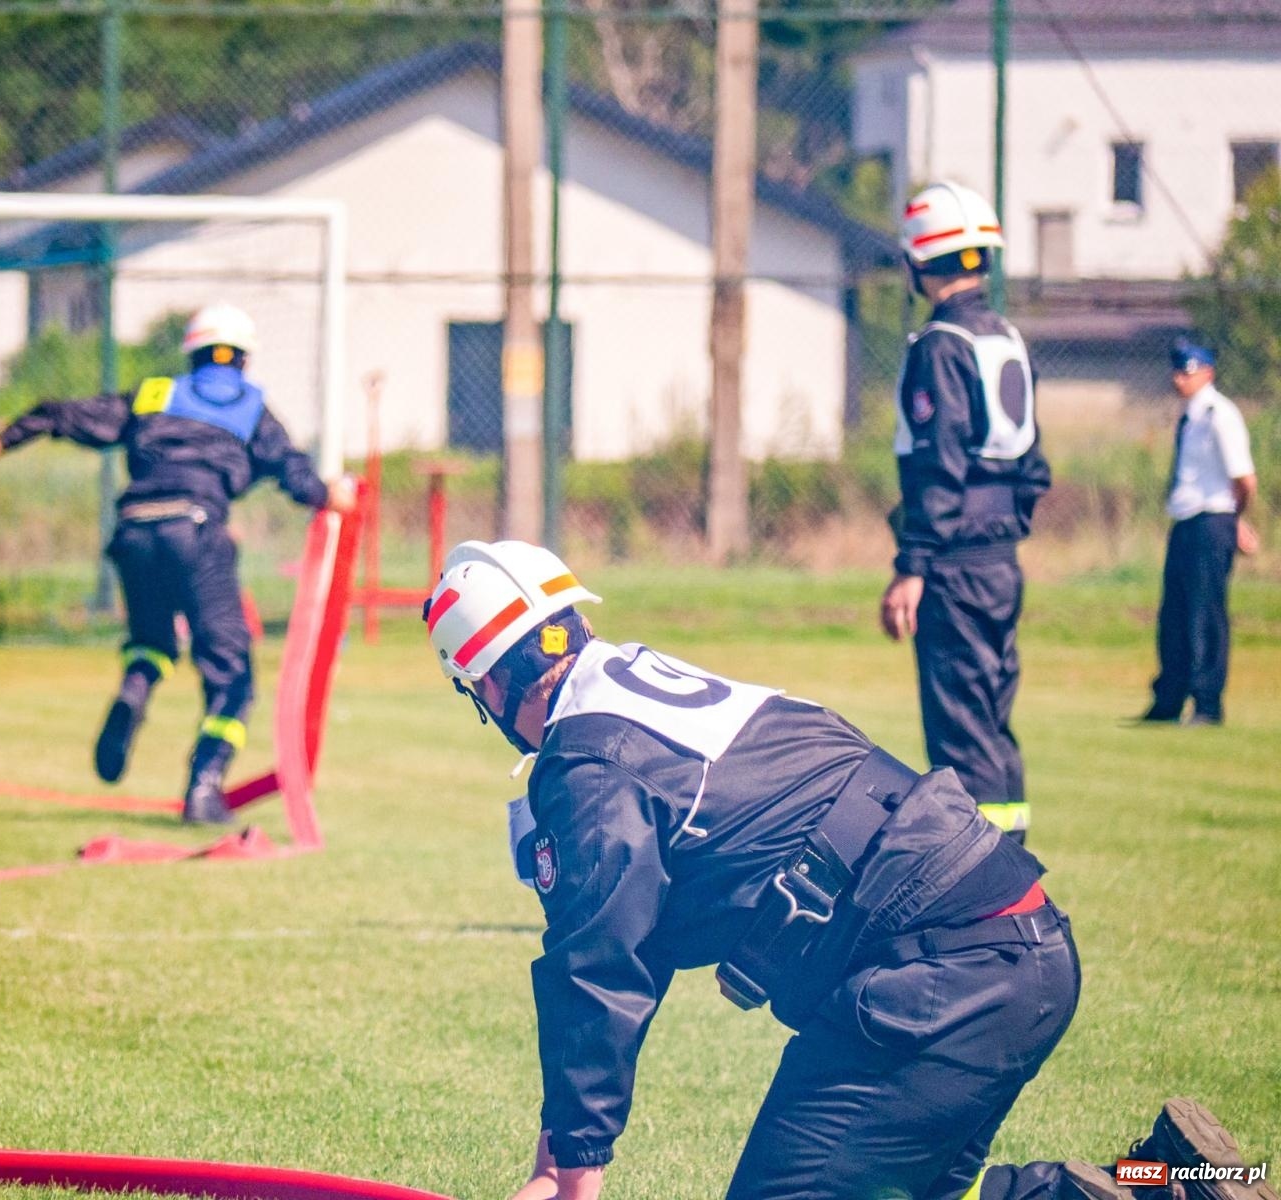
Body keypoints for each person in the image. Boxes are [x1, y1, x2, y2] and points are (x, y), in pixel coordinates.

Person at [425, 539, 1271, 1200]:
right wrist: (566, 1143)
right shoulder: (640, 685)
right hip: (1022, 944)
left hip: (938, 980)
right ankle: (1170, 1180)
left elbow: (600, 961)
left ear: (488, 686)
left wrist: (573, 1169)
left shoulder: (589, 763)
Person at [0, 303, 356, 822]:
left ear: (191, 354)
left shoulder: (155, 395)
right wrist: (331, 495)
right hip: (196, 532)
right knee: (232, 675)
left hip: (134, 530)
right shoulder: (253, 409)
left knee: (152, 643)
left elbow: (57, 413)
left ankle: (133, 693)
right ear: (244, 360)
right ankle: (203, 787)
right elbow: (296, 476)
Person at [880, 181, 1051, 845]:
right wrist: (1001, 530)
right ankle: (1009, 859)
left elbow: (939, 463)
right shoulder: (1005, 338)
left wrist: (913, 564)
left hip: (954, 563)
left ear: (918, 261)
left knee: (960, 731)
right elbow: (1032, 466)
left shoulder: (940, 345)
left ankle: (983, 876)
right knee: (991, 725)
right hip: (1000, 559)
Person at [1139, 337, 1260, 726]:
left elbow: (1244, 479)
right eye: (1176, 371)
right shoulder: (1190, 416)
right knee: (1174, 613)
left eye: (1187, 371)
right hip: (1187, 521)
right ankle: (1169, 699)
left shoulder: (1219, 414)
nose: (1179, 379)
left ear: (1207, 372)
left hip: (1212, 519)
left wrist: (1233, 519)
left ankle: (1207, 702)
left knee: (1205, 614)